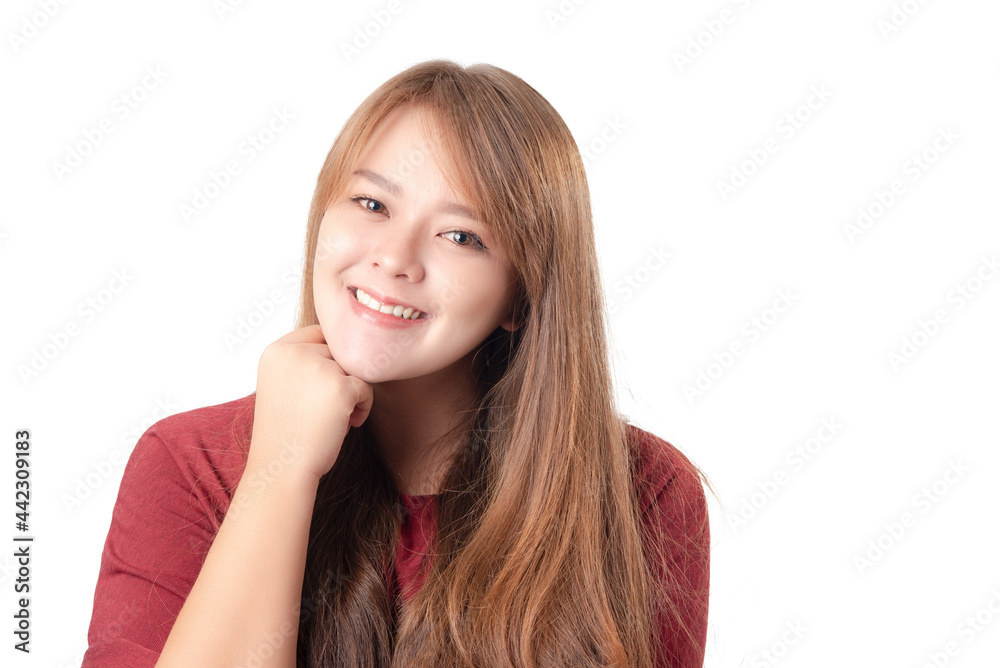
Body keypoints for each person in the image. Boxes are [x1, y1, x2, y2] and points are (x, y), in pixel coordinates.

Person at [82, 59, 710, 668]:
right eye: (372, 205)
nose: (393, 258)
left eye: (461, 236)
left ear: (520, 297)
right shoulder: (188, 464)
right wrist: (280, 473)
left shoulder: (638, 493)